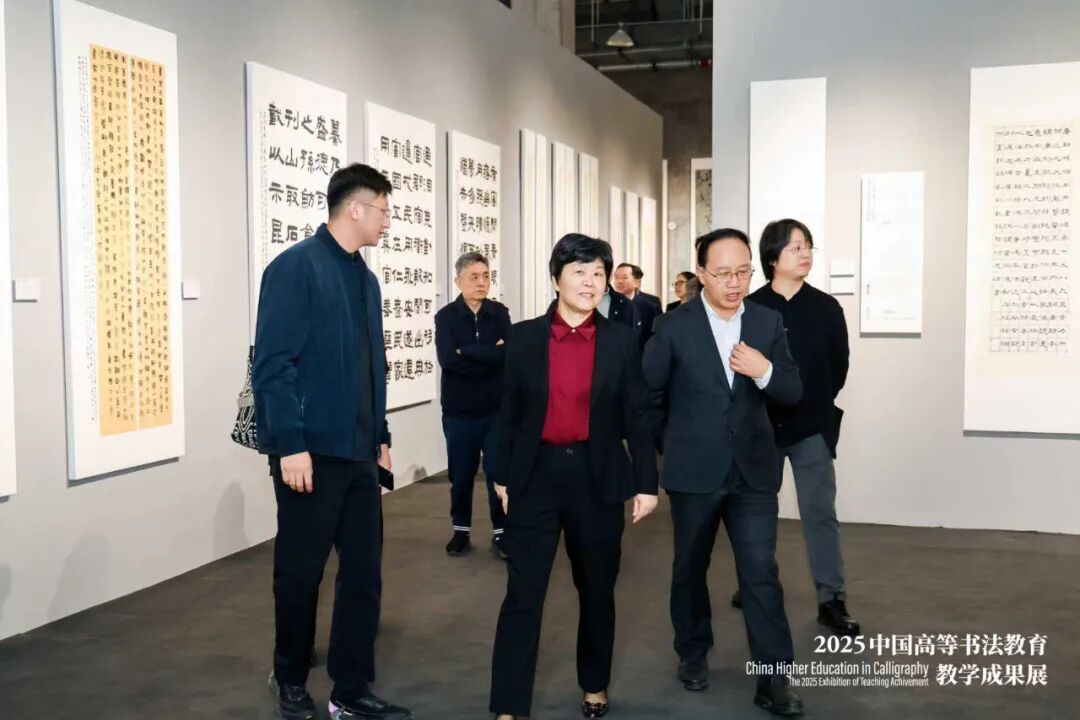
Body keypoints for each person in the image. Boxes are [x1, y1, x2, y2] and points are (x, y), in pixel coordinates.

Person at [253, 163, 412, 720]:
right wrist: (289, 445)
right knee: (300, 573)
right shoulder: (294, 268)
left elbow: (373, 366)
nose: (388, 222)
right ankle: (290, 677)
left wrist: (381, 436)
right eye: (384, 211)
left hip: (360, 454)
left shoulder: (366, 280)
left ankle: (350, 688)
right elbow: (272, 366)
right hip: (310, 455)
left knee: (363, 575)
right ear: (355, 209)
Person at [490, 234, 659, 720]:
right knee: (523, 594)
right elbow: (507, 413)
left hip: (596, 477)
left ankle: (595, 683)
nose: (590, 282)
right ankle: (509, 704)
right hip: (534, 477)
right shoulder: (523, 338)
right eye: (579, 272)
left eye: (598, 274)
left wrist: (646, 482)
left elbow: (637, 415)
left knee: (597, 589)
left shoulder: (621, 341)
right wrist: (500, 476)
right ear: (556, 278)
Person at [643, 228, 805, 717]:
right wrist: (674, 447)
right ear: (701, 274)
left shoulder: (767, 321)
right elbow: (650, 398)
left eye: (743, 272)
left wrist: (764, 370)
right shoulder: (673, 326)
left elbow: (792, 391)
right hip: (694, 471)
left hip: (753, 471)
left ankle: (774, 677)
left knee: (760, 571)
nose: (735, 283)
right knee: (690, 567)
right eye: (723, 274)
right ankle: (692, 652)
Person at [741, 218, 859, 636]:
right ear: (772, 257)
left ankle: (832, 599)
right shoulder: (750, 308)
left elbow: (839, 367)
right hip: (762, 427)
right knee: (756, 514)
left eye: (808, 246)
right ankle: (755, 583)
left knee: (820, 513)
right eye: (795, 247)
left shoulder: (826, 308)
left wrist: (814, 404)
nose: (805, 253)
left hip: (811, 426)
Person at [434, 252, 512, 559]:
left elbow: (509, 354)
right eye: (474, 277)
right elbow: (448, 361)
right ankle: (461, 531)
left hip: (496, 409)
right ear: (458, 281)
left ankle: (502, 532)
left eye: (486, 276)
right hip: (459, 410)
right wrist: (490, 354)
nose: (482, 282)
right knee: (461, 474)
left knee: (498, 473)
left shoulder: (499, 313)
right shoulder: (446, 317)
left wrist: (466, 351)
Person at [613, 263, 663, 348]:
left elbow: (656, 335)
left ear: (636, 282)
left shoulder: (649, 306)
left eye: (624, 277)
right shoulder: (610, 303)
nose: (619, 281)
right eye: (616, 277)